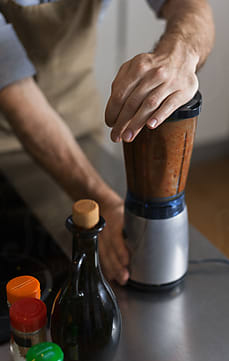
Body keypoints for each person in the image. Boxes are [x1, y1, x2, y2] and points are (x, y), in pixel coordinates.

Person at [0, 0, 214, 285]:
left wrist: (179, 53)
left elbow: (190, 6)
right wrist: (102, 203)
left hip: (79, 124)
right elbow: (14, 91)